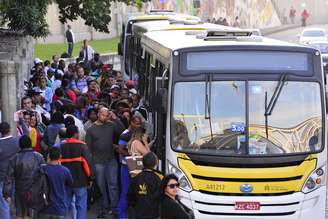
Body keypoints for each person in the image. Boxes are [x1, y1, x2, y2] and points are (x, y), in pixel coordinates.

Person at [85, 107, 123, 218]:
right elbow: (88, 149)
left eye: (107, 115)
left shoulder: (111, 124)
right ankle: (104, 206)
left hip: (111, 160)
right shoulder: (91, 129)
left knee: (113, 185)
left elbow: (122, 131)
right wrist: (90, 165)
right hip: (98, 162)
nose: (105, 117)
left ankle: (114, 208)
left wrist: (116, 119)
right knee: (101, 186)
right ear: (98, 114)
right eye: (103, 115)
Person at [3, 135, 45, 219]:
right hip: (35, 190)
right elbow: (44, 175)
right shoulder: (39, 157)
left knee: (19, 213)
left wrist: (7, 193)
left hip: (20, 190)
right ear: (30, 144)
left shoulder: (14, 158)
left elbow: (8, 178)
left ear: (20, 145)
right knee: (32, 213)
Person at [60, 125, 93, 219]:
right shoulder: (82, 146)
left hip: (66, 182)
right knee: (81, 206)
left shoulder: (61, 146)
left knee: (65, 205)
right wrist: (91, 178)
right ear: (76, 134)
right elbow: (88, 164)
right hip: (80, 181)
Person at [0, 121, 29, 219]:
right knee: (17, 202)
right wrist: (22, 121)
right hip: (16, 176)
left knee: (4, 203)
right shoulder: (17, 141)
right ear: (9, 130)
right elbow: (26, 134)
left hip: (2, 178)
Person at [117, 115, 142, 219]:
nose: (138, 125)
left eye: (139, 124)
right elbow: (120, 149)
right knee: (125, 192)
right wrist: (132, 156)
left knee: (138, 191)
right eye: (136, 123)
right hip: (127, 165)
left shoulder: (137, 134)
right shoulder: (125, 135)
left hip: (136, 163)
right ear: (131, 122)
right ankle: (121, 216)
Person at [38, 147, 73, 219]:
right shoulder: (65, 171)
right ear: (60, 156)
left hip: (44, 207)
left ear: (48, 156)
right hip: (60, 208)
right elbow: (70, 184)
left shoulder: (42, 169)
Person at [127, 152, 162, 219]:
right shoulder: (157, 179)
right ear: (156, 164)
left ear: (143, 163)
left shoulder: (136, 178)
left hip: (138, 214)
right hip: (153, 214)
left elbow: (130, 197)